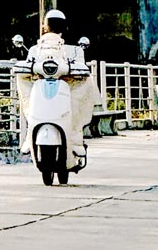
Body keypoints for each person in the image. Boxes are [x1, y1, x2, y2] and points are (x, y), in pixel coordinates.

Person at [16, 9, 98, 157]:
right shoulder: (35, 49)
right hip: (41, 84)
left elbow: (82, 71)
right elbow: (26, 69)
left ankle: (75, 139)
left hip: (65, 85)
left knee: (76, 99)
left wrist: (73, 69)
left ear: (44, 26)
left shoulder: (73, 51)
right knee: (29, 101)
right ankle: (30, 136)